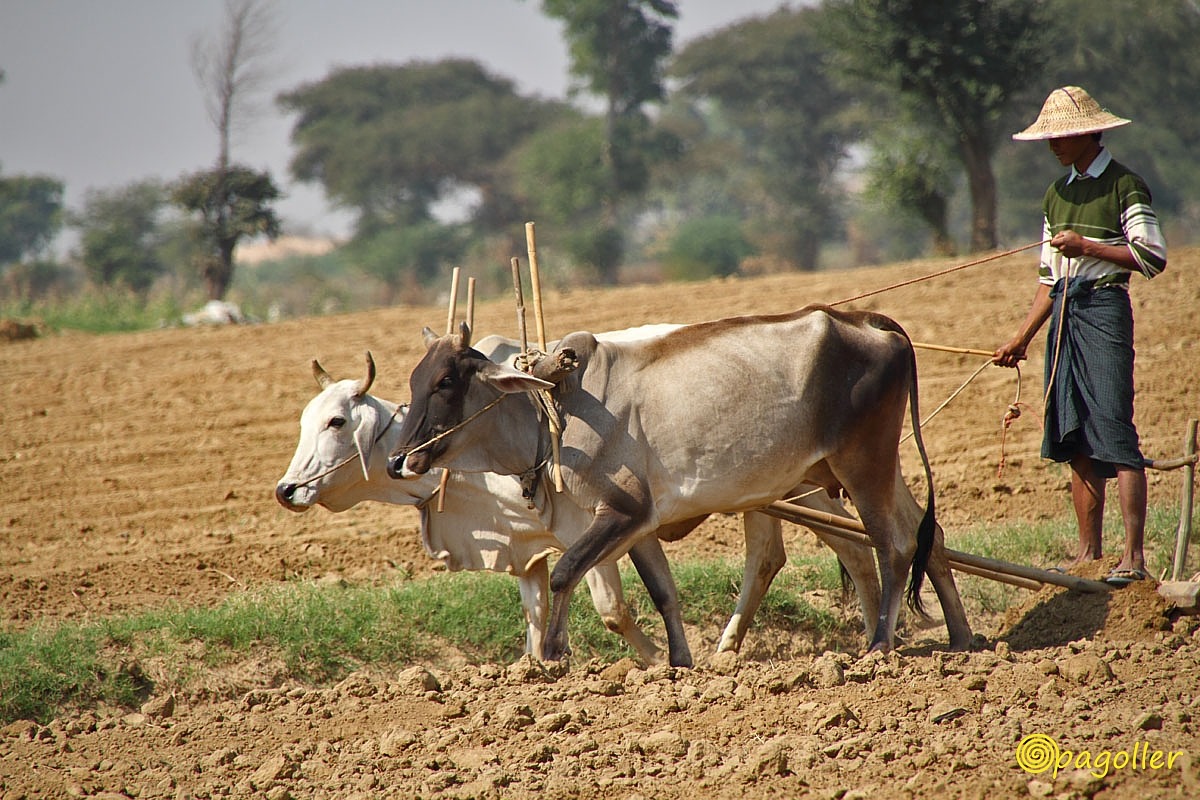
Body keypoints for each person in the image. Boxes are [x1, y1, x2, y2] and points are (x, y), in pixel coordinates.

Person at [994, 86, 1167, 586]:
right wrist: (1022, 338)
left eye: (1062, 135)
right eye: (1049, 137)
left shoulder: (1125, 186)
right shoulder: (1056, 193)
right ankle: (1088, 554)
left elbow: (1151, 256)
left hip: (1105, 310)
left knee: (1115, 429)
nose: (1054, 145)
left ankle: (1133, 559)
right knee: (1074, 436)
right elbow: (1050, 281)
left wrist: (1086, 244)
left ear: (1090, 133)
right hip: (1067, 314)